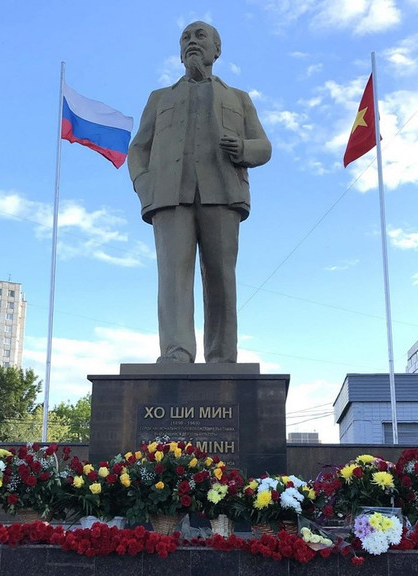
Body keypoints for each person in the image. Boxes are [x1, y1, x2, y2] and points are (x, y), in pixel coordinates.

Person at [128, 21, 272, 364]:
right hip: (168, 196)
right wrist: (144, 184)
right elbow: (138, 148)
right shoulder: (159, 98)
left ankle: (222, 356)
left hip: (222, 194)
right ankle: (176, 350)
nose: (192, 41)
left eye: (199, 36)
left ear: (216, 50)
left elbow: (264, 146)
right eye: (185, 38)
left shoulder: (238, 98)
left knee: (221, 277)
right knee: (173, 277)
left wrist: (243, 148)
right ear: (179, 53)